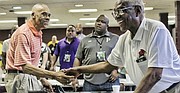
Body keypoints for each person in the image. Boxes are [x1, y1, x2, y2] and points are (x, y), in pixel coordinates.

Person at [64, 0, 180, 93]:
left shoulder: (156, 30)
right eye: (115, 12)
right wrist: (78, 70)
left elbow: (155, 74)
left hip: (171, 89)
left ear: (137, 10)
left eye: (121, 11)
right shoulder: (124, 39)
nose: (117, 16)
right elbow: (107, 65)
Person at [5, 4, 74, 93]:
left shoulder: (38, 33)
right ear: (33, 15)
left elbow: (32, 63)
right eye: (44, 14)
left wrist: (41, 79)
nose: (47, 18)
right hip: (19, 77)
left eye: (49, 15)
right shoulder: (23, 33)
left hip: (30, 75)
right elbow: (25, 67)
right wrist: (54, 75)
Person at [72, 14, 120, 91]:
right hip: (89, 81)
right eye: (97, 21)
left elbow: (124, 57)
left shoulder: (115, 38)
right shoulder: (85, 40)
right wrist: (74, 77)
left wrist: (118, 71)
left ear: (107, 26)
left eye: (103, 22)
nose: (99, 23)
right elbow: (78, 58)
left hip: (110, 80)